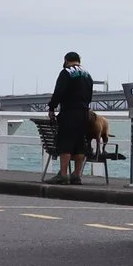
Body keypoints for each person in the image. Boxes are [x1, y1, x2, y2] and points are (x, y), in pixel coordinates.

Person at [48, 52, 95, 185]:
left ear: (66, 60)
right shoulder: (87, 74)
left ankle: (63, 175)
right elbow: (90, 95)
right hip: (84, 113)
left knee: (66, 144)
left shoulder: (66, 72)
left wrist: (52, 107)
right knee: (80, 144)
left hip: (69, 113)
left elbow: (59, 92)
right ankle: (76, 175)